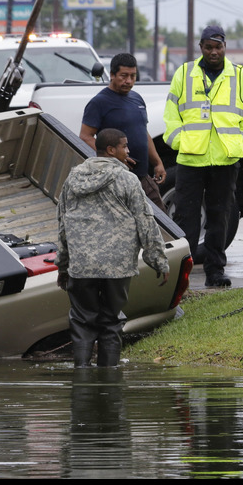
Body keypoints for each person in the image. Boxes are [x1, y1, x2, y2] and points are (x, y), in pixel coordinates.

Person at [56, 128, 170, 368]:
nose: (128, 151)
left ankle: (82, 376)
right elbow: (145, 221)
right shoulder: (127, 179)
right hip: (117, 267)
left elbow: (63, 224)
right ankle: (109, 379)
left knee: (81, 321)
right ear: (111, 150)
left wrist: (63, 267)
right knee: (110, 321)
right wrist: (158, 260)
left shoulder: (73, 178)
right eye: (125, 146)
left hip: (82, 265)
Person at [164, 26, 243, 288]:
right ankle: (179, 276)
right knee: (186, 219)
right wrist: (179, 141)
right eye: (208, 47)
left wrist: (241, 145)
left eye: (218, 47)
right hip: (190, 160)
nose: (214, 52)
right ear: (201, 48)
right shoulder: (184, 74)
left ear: (225, 47)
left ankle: (215, 271)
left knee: (221, 217)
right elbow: (171, 114)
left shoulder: (240, 77)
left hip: (225, 160)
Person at [80, 53, 168, 211]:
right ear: (112, 75)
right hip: (117, 181)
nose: (128, 81)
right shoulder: (99, 102)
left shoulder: (137, 99)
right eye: (124, 76)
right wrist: (114, 158)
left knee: (163, 224)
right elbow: (85, 137)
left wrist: (157, 162)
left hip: (142, 177)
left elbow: (143, 133)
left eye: (133, 76)